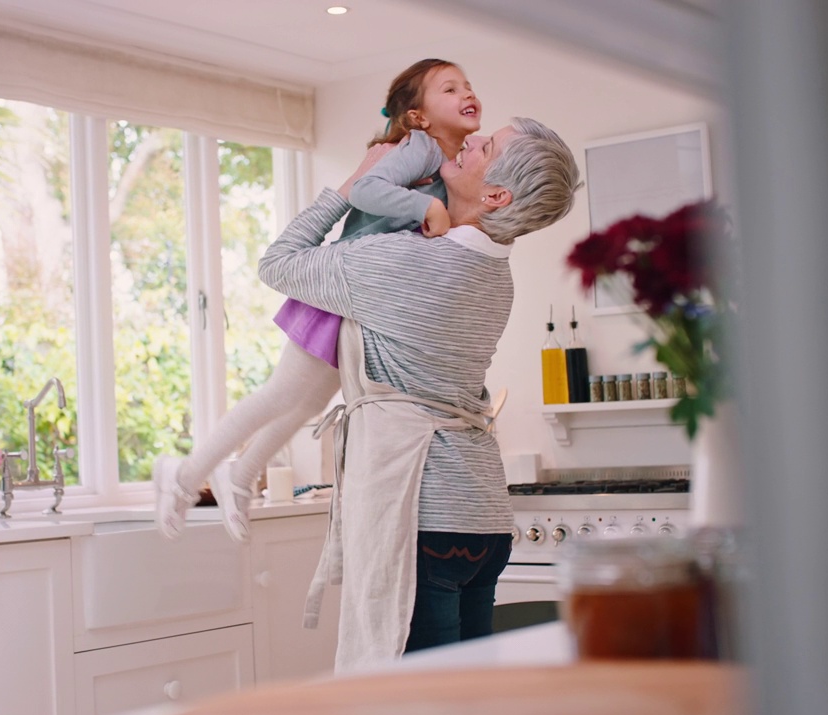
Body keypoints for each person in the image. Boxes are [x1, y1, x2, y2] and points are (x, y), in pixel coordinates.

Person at [258, 117, 581, 669]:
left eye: (487, 146)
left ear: (496, 194)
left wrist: (350, 185)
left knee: (419, 701)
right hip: (481, 517)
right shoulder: (495, 275)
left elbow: (278, 263)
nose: (471, 140)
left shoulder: (406, 263)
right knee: (468, 700)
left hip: (423, 513)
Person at [154, 59, 484, 542]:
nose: (466, 94)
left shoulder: (453, 158)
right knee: (281, 394)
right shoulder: (422, 148)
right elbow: (367, 189)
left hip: (362, 299)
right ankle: (183, 475)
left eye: (468, 86)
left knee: (308, 400)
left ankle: (240, 474)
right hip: (341, 283)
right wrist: (426, 206)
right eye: (450, 89)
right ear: (418, 117)